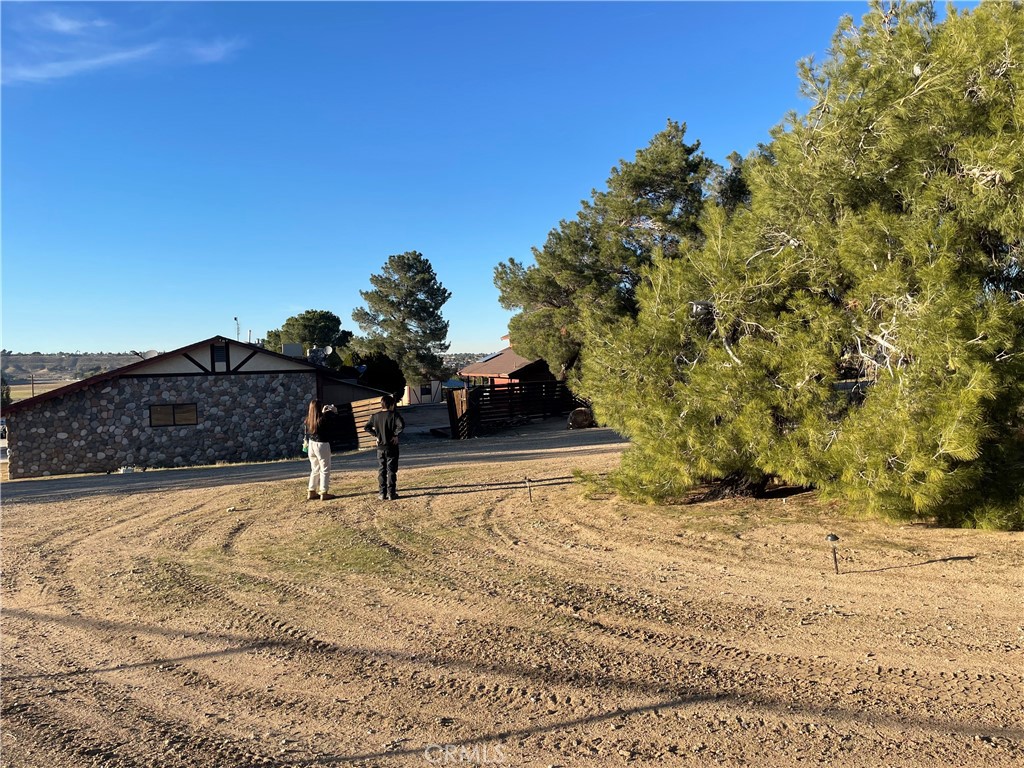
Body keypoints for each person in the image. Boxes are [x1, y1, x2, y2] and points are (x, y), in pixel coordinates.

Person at [363, 394, 405, 500]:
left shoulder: (375, 416)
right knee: (391, 470)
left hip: (380, 447)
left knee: (381, 470)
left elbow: (366, 427)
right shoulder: (394, 415)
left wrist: (376, 435)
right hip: (392, 446)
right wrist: (395, 434)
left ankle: (382, 493)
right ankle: (391, 493)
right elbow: (401, 425)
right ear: (391, 405)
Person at [304, 399, 338, 501]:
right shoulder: (324, 418)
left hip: (311, 444)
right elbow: (333, 425)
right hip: (322, 444)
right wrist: (334, 412)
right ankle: (323, 491)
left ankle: (311, 490)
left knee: (315, 469)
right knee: (325, 469)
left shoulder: (308, 420)